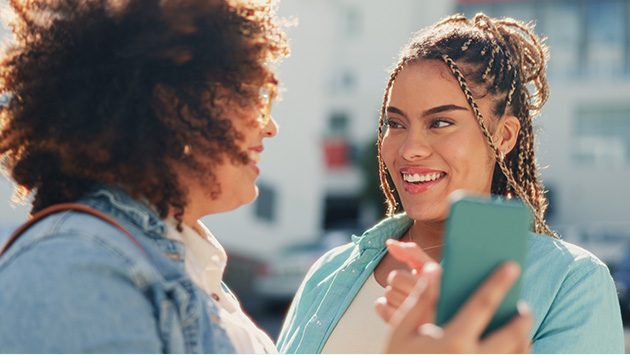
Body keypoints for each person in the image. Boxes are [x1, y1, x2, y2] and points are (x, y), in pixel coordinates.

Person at [0, 1, 532, 353]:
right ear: (170, 103)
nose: (271, 124)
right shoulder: (76, 267)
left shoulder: (197, 281)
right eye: (255, 95)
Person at [277, 13, 624, 354]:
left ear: (503, 136)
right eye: (395, 124)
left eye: (440, 122)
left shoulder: (572, 282)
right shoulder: (328, 272)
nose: (410, 149)